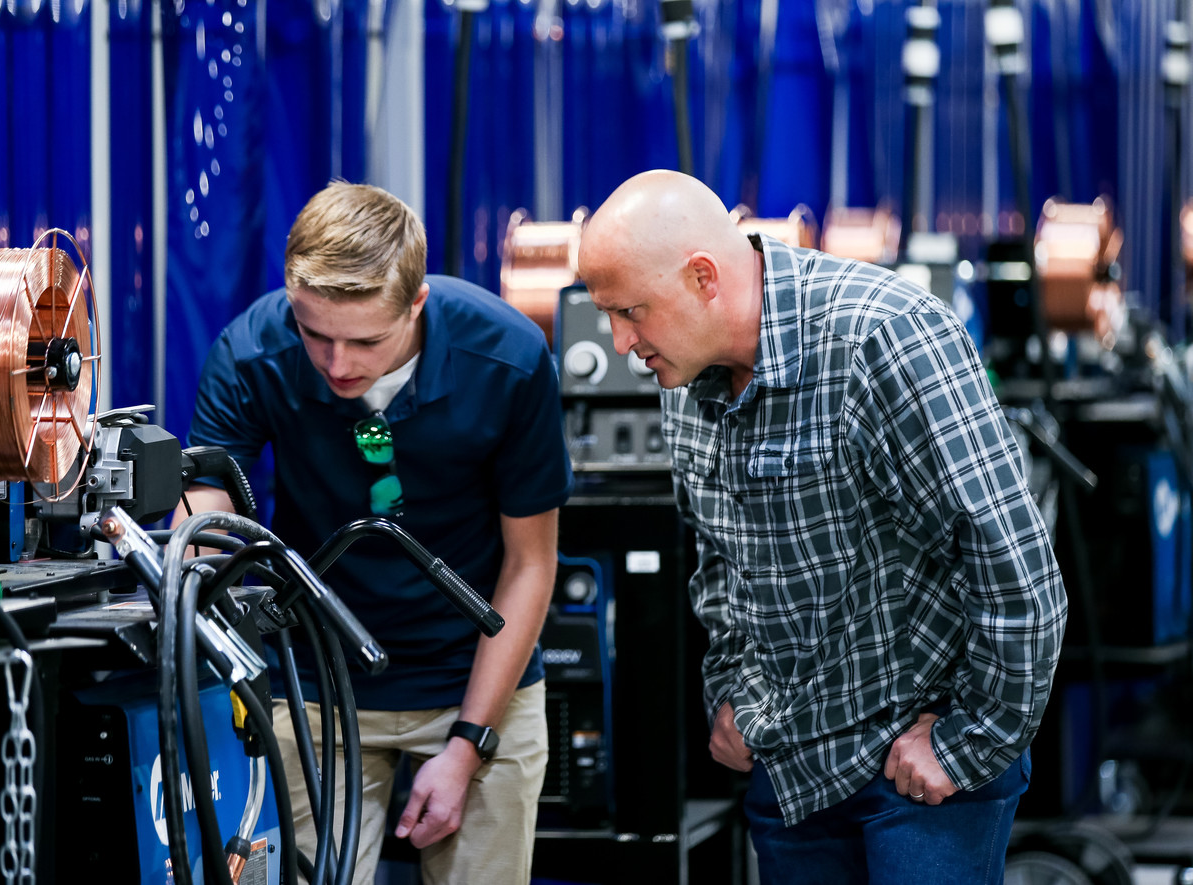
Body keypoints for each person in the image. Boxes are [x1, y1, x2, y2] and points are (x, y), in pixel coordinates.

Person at [576, 170, 1067, 884]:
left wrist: (968, 742)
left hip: (914, 772)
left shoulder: (887, 337)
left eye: (632, 312)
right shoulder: (686, 378)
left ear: (704, 277)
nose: (622, 342)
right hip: (792, 773)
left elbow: (1016, 569)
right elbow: (720, 558)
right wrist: (731, 691)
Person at [181, 181, 573, 884]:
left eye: (365, 339)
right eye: (314, 334)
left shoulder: (508, 360)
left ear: (417, 305)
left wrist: (469, 744)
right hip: (316, 681)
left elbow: (529, 566)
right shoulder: (252, 350)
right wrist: (197, 552)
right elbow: (207, 509)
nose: (337, 364)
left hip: (477, 676)